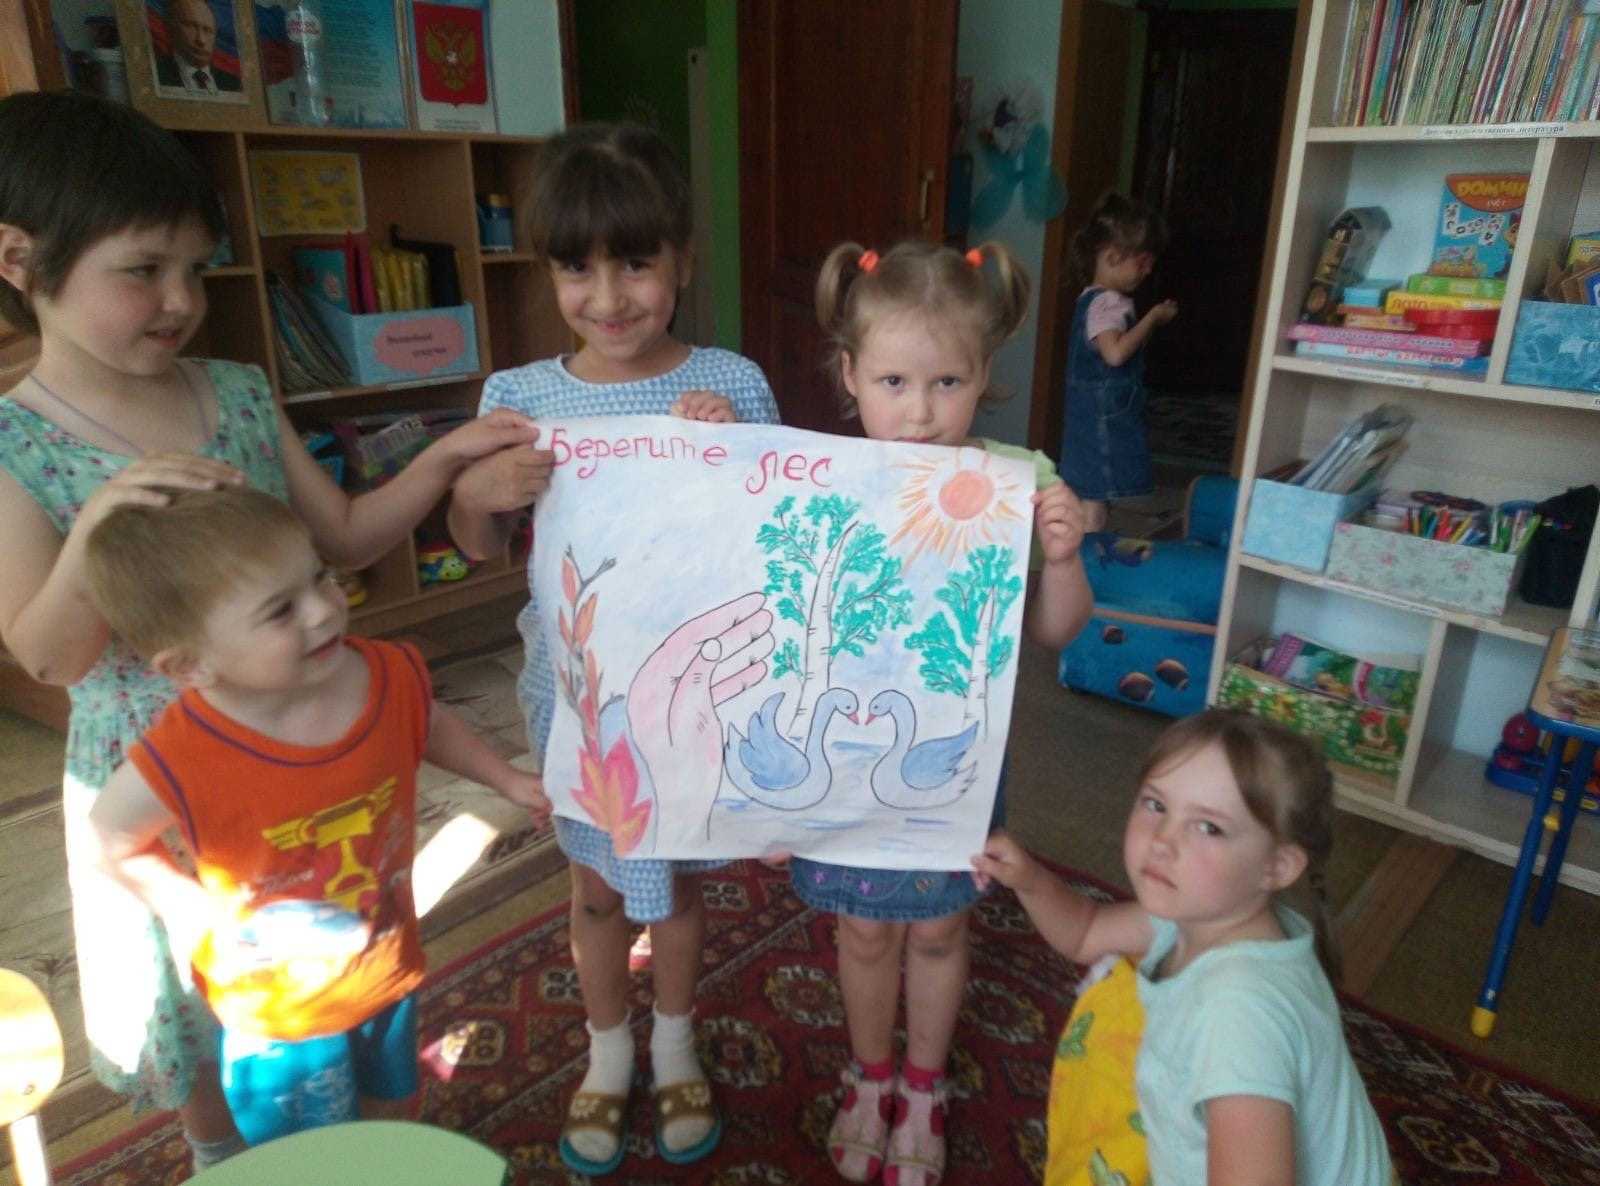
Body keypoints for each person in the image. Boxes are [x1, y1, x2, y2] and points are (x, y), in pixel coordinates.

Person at [0, 90, 537, 1169]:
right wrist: (97, 528)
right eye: (142, 269)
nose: (180, 300)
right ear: (20, 260)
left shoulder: (238, 393)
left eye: (195, 269)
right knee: (193, 1007)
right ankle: (222, 1159)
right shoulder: (16, 442)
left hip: (304, 744)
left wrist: (440, 460)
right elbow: (50, 656)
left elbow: (343, 535)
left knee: (337, 964)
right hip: (161, 783)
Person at [446, 121, 780, 1176]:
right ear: (547, 272)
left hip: (683, 696)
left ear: (681, 258)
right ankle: (607, 1054)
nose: (609, 296)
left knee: (671, 882)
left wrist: (732, 450)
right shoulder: (517, 397)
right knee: (594, 885)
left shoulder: (732, 380)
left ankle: (674, 1044)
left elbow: (770, 538)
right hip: (575, 696)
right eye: (576, 269)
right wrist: (478, 494)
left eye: (636, 263)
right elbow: (477, 545)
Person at [80, 487, 551, 1145]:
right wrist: (191, 912)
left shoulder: (382, 672)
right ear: (190, 665)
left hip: (384, 964)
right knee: (310, 1152)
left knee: (391, 1113)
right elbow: (109, 836)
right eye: (281, 609)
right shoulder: (184, 753)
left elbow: (425, 721)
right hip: (279, 1013)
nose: (325, 608)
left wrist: (506, 778)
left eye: (320, 577)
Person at [797, 239, 1094, 1186]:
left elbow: (1058, 631)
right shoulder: (827, 476)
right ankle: (868, 1073)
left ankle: (923, 1086)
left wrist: (1063, 556)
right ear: (850, 375)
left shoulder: (1018, 478)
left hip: (962, 755)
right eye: (893, 382)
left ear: (984, 374)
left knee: (937, 926)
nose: (920, 412)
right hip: (850, 750)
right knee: (863, 928)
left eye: (947, 383)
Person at [973, 709, 1394, 1186]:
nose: (1162, 840)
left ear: (1277, 867)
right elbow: (1086, 932)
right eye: (1156, 804)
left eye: (1208, 827)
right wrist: (1028, 879)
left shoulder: (1236, 1018)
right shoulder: (1209, 911)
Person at [1058, 192, 1178, 534]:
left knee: (1093, 494)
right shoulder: (1108, 303)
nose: (1148, 270)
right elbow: (1115, 354)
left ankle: (1085, 549)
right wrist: (1152, 319)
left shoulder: (1091, 298)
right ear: (1113, 255)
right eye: (1143, 261)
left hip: (1090, 415)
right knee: (1094, 501)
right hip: (1102, 419)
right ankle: (1087, 555)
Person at [153, 0, 241, 95]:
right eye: (191, 26)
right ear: (170, 28)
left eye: (207, 30)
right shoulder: (155, 75)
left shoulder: (234, 85)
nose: (201, 40)